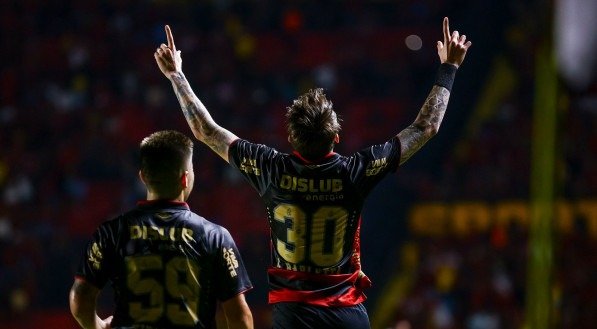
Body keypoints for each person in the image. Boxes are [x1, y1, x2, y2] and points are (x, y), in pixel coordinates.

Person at [154, 17, 471, 329]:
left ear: (291, 138)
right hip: (346, 313)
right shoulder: (354, 172)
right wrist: (449, 68)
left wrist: (176, 75)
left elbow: (205, 130)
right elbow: (426, 127)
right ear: (336, 137)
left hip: (293, 314)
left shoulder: (270, 168)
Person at [69, 130, 254, 329]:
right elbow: (240, 318)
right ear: (185, 178)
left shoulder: (112, 232)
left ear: (143, 177)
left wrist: (99, 327)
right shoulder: (215, 236)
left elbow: (81, 301)